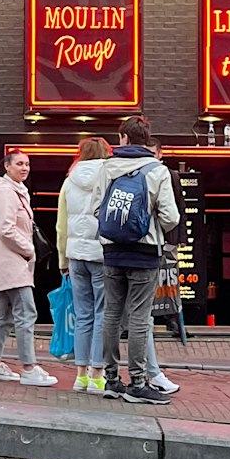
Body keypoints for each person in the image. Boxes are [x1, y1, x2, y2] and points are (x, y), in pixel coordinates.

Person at [91, 115, 180, 404]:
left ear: (124, 138)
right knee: (140, 317)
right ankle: (139, 382)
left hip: (112, 251)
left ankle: (111, 379)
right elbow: (171, 217)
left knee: (111, 314)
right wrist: (151, 227)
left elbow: (96, 210)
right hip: (144, 254)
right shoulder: (157, 170)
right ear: (147, 141)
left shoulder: (107, 168)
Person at [0, 148, 57, 387]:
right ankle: (28, 367)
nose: (24, 168)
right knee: (26, 313)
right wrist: (29, 249)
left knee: (4, 315)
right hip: (14, 262)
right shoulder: (7, 192)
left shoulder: (14, 191)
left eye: (27, 164)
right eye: (19, 164)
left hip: (12, 261)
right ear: (7, 166)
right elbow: (6, 229)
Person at [58, 137, 110, 393]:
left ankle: (80, 375)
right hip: (101, 255)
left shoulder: (70, 181)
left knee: (82, 314)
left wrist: (62, 258)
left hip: (75, 255)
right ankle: (97, 374)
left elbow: (61, 225)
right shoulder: (110, 179)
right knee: (102, 314)